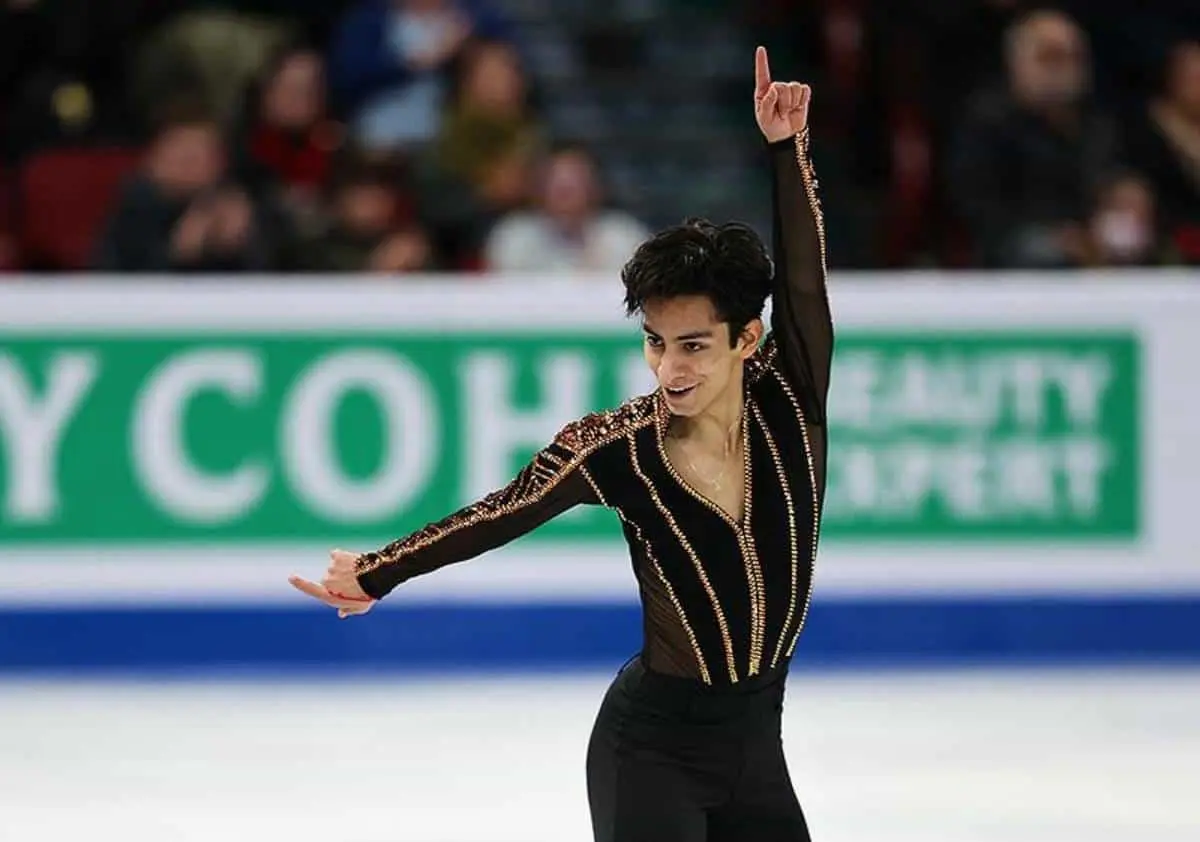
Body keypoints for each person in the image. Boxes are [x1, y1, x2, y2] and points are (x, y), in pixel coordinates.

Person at [290, 46, 830, 842]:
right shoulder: (617, 448)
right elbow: (499, 512)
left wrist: (789, 151)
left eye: (693, 345)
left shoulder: (793, 401)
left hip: (757, 746)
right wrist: (380, 570)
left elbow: (807, 285)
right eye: (655, 342)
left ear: (747, 338)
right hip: (650, 752)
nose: (668, 367)